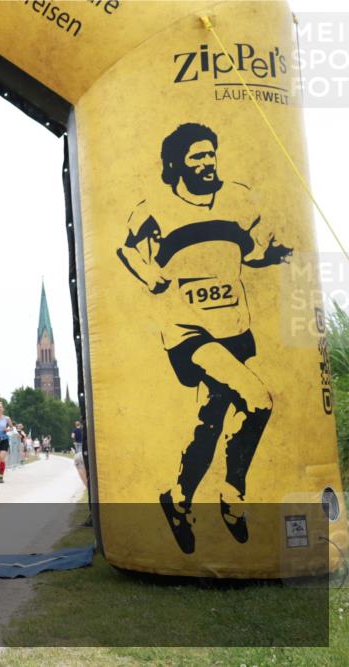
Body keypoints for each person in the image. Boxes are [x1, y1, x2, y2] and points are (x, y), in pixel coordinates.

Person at [117, 123, 290, 554]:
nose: (207, 162)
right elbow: (128, 249)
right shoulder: (154, 207)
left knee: (209, 424)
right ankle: (232, 496)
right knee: (259, 399)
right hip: (187, 330)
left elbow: (248, 253)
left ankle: (176, 500)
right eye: (196, 156)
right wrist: (150, 274)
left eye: (210, 153)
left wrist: (273, 255)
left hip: (234, 326)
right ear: (176, 163)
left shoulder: (238, 198)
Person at [71, 420, 87, 488]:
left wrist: (74, 439)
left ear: (75, 425)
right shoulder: (82, 429)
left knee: (78, 454)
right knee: (81, 453)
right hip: (81, 442)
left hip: (77, 442)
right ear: (79, 424)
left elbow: (72, 436)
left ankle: (80, 467)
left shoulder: (74, 430)